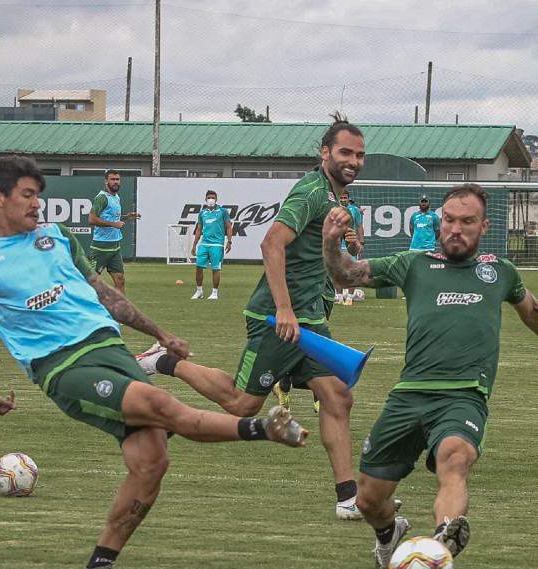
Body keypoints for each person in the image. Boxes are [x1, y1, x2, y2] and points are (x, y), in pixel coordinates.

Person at [0, 156, 308, 569]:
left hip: (110, 348)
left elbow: (104, 294)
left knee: (152, 461)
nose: (37, 205)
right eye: (27, 195)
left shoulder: (57, 237)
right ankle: (262, 429)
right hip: (62, 366)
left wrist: (160, 333)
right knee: (160, 406)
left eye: (38, 196)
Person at [321, 183, 538, 569]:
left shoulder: (499, 271)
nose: (455, 228)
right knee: (369, 498)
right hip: (408, 395)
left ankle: (443, 538)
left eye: (466, 221)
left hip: (463, 395)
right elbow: (348, 274)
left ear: (484, 226)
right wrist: (330, 242)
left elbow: (533, 310)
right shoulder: (414, 263)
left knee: (455, 459)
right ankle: (389, 532)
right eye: (449, 220)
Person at [138, 114, 374, 521]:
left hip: (310, 320)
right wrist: (283, 308)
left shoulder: (337, 200)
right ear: (325, 153)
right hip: (279, 319)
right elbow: (271, 243)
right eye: (345, 152)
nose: (353, 160)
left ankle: (348, 499)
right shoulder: (311, 193)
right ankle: (164, 361)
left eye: (360, 154)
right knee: (242, 404)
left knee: (337, 396)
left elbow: (331, 263)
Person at [87, 169, 140, 294]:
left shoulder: (115, 197)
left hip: (115, 246)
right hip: (101, 246)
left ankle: (120, 311)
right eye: (112, 179)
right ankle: (84, 307)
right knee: (91, 281)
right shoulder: (102, 198)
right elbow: (91, 219)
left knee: (120, 280)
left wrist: (127, 216)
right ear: (106, 181)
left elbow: (111, 216)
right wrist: (113, 224)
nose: (116, 182)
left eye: (117, 179)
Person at [190, 189, 232, 300]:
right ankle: (199, 291)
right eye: (209, 198)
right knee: (199, 267)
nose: (211, 200)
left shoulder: (223, 212)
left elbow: (228, 226)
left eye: (213, 197)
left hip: (217, 244)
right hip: (204, 244)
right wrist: (195, 244)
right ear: (205, 199)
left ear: (216, 199)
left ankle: (214, 292)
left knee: (215, 269)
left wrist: (229, 241)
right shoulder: (202, 213)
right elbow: (199, 229)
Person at [333, 192, 364, 305]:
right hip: (338, 245)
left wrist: (361, 242)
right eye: (341, 198)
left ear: (348, 199)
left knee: (352, 271)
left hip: (351, 244)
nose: (343, 200)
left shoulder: (354, 210)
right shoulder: (335, 209)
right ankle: (340, 297)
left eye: (345, 198)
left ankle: (350, 297)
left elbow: (359, 226)